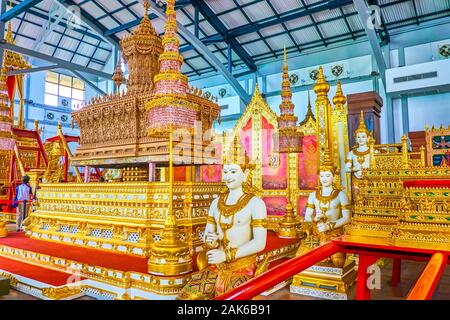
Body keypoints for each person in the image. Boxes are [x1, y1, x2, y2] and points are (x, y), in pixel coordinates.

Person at [177, 136, 267, 300]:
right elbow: (208, 238)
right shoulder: (216, 203)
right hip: (216, 267)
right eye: (225, 171)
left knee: (233, 299)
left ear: (245, 173)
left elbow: (260, 243)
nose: (228, 176)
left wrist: (227, 256)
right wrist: (210, 240)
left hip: (243, 267)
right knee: (186, 296)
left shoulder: (256, 203)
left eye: (233, 171)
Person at [298, 148, 351, 267]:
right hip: (318, 232)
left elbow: (347, 218)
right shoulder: (313, 195)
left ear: (334, 177)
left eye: (328, 175)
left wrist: (329, 226)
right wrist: (315, 219)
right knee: (301, 258)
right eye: (322, 176)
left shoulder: (340, 195)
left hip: (334, 233)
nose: (324, 179)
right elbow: (307, 216)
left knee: (338, 262)